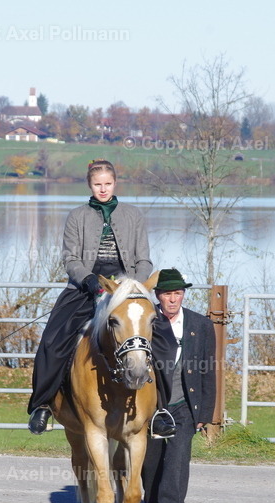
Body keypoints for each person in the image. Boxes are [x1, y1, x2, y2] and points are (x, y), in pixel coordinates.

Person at [27, 159, 175, 438]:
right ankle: (42, 404)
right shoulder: (77, 216)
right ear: (90, 185)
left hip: (128, 291)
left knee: (164, 339)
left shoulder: (133, 215)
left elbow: (144, 259)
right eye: (98, 184)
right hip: (86, 287)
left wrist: (131, 286)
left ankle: (160, 411)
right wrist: (90, 280)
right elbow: (70, 259)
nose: (103, 189)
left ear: (115, 183)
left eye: (107, 184)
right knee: (52, 341)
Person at [140, 268, 217, 503]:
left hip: (185, 403)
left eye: (177, 293)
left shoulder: (200, 324)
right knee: (151, 464)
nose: (172, 299)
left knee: (177, 459)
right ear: (158, 296)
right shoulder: (146, 321)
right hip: (152, 404)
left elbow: (208, 369)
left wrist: (205, 412)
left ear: (183, 294)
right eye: (167, 294)